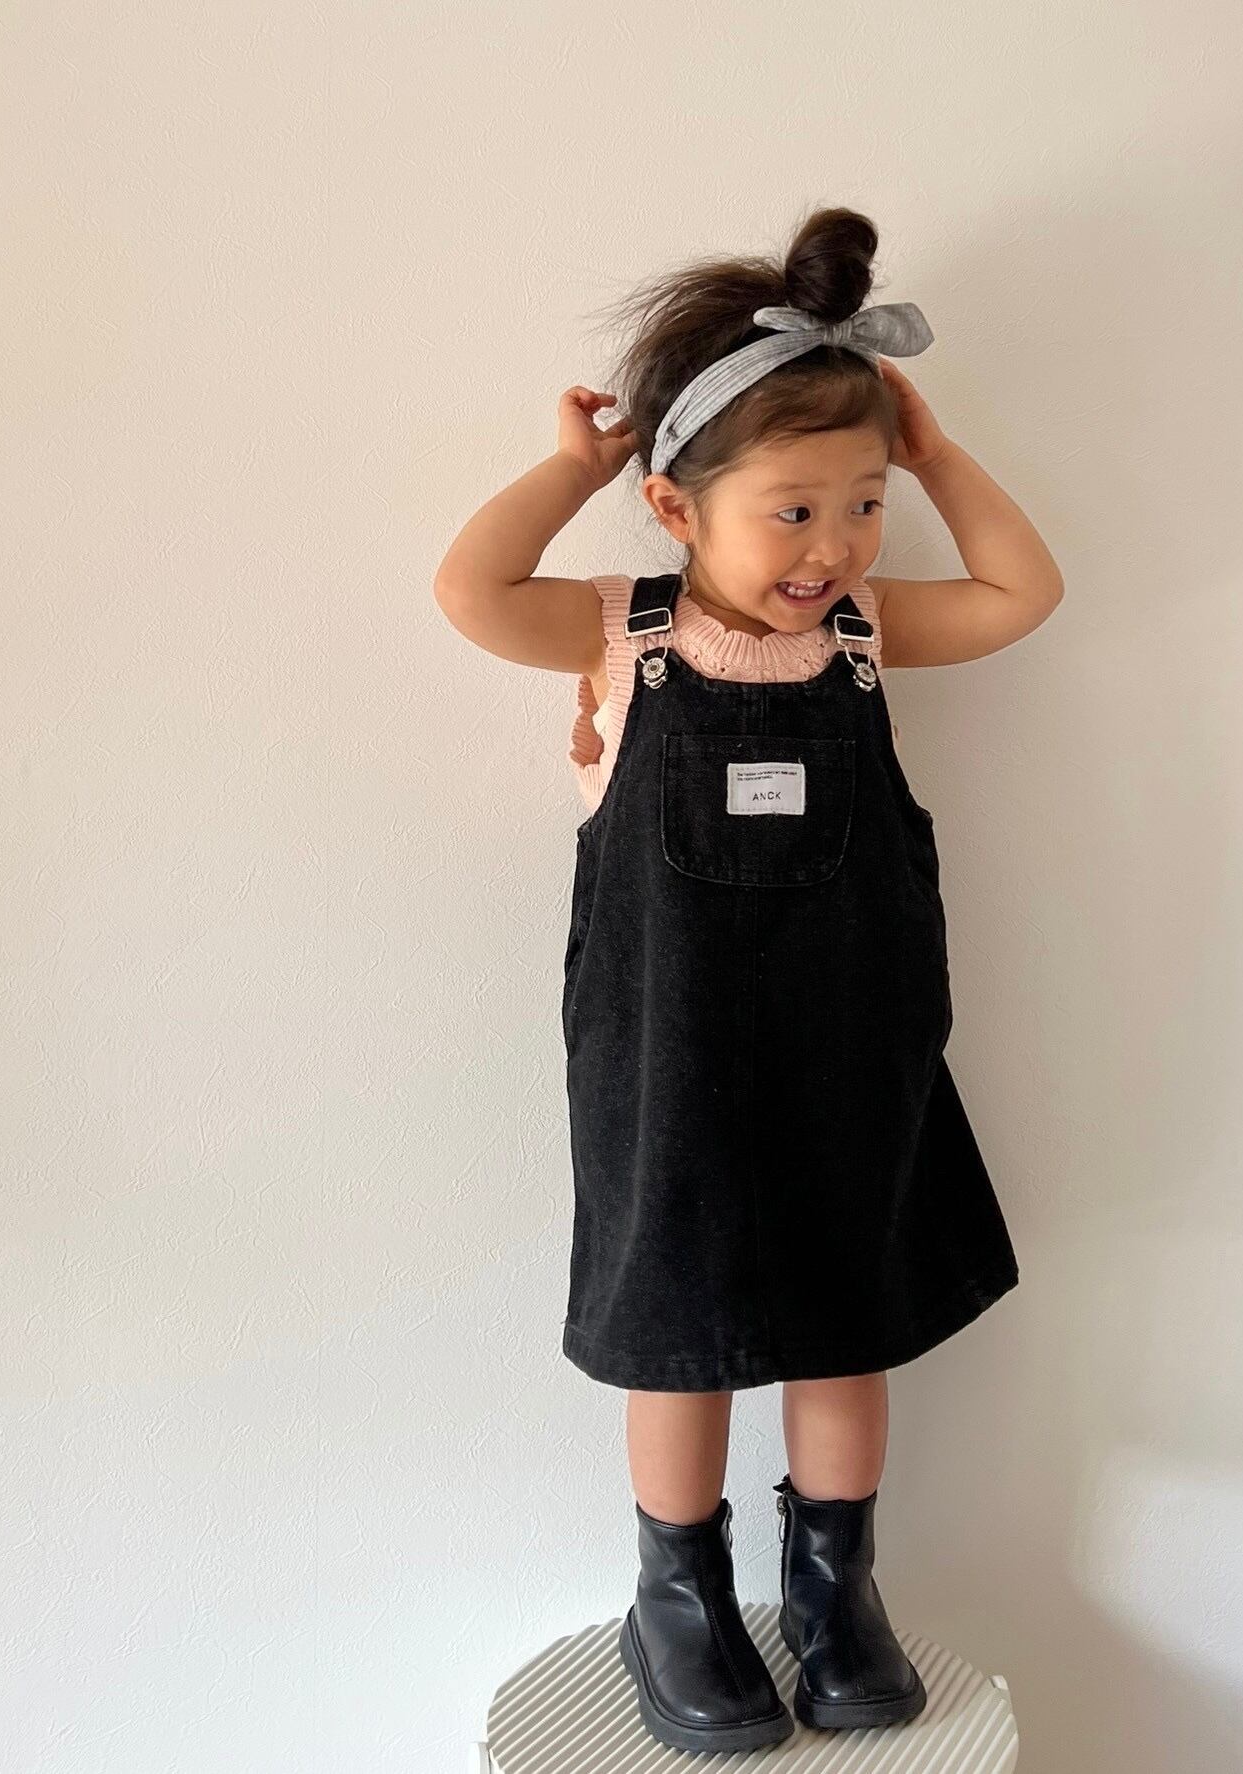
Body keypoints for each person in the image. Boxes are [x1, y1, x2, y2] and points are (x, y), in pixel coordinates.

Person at [433, 204, 1064, 1753]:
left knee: (844, 1328)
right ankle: (679, 1597)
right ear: (672, 504)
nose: (834, 546)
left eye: (862, 504)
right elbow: (468, 588)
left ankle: (837, 1590)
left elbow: (1018, 593)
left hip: (849, 1061)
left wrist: (935, 457)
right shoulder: (618, 635)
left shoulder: (862, 638)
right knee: (683, 1340)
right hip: (667, 1074)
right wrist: (570, 469)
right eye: (792, 510)